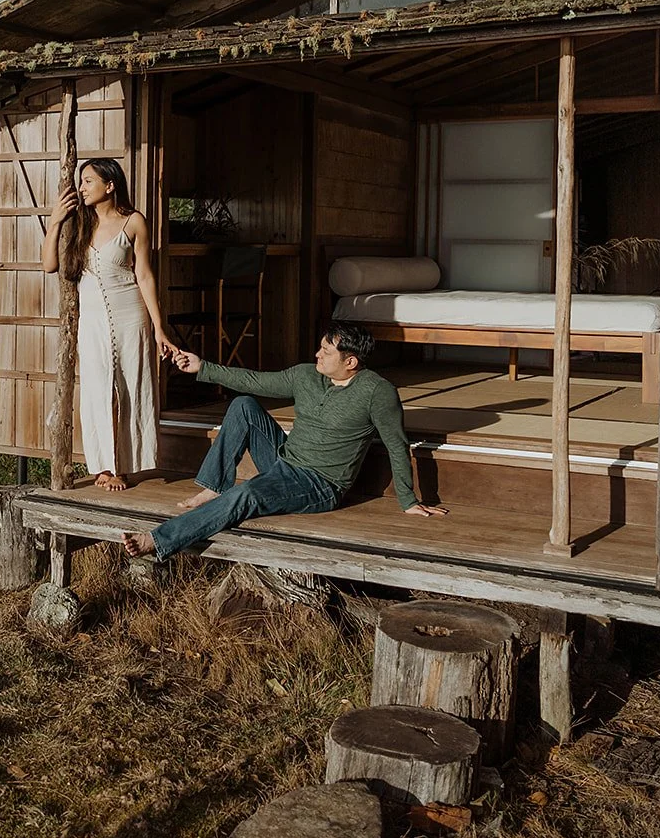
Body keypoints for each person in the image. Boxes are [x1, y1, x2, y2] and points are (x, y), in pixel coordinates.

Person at [122, 319, 447, 557]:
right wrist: (203, 367)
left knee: (247, 493)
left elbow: (396, 444)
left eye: (326, 351)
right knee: (244, 405)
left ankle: (159, 540)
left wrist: (409, 500)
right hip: (283, 460)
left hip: (319, 484)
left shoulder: (377, 392)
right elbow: (254, 381)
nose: (317, 354)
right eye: (320, 347)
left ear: (351, 362)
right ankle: (213, 486)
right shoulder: (307, 375)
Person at [42, 158, 176, 491]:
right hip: (93, 322)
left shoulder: (134, 222)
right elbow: (49, 265)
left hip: (132, 315)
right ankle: (103, 466)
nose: (82, 188)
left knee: (133, 389)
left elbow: (144, 276)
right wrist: (56, 220)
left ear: (110, 185)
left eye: (88, 181)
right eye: (82, 182)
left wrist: (159, 328)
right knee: (95, 391)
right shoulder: (77, 224)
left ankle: (126, 467)